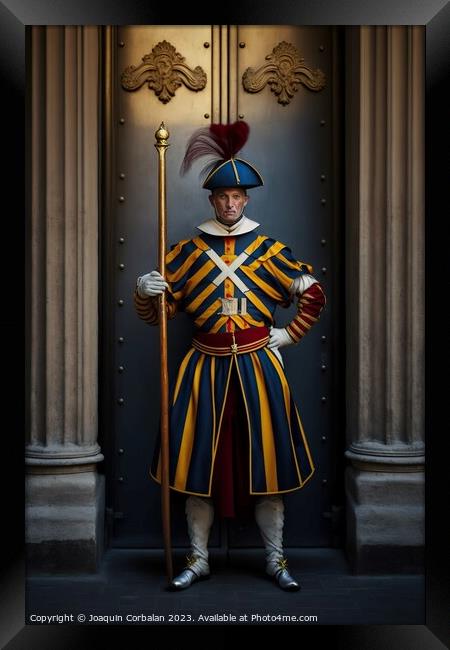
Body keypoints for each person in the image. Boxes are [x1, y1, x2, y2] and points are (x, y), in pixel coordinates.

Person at [134, 121, 326, 592]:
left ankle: (275, 560)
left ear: (247, 199)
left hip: (259, 369)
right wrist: (145, 291)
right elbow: (158, 314)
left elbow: (313, 292)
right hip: (203, 370)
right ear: (211, 201)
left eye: (238, 196)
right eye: (223, 197)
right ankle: (197, 559)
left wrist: (289, 336)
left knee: (269, 466)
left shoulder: (271, 251)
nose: (231, 203)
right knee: (199, 467)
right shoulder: (185, 253)